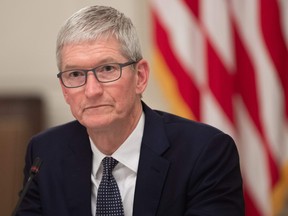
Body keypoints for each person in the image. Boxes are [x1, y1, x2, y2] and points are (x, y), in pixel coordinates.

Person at [16, 5, 245, 216]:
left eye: (107, 69)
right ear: (64, 89)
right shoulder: (45, 153)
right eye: (75, 74)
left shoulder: (205, 153)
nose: (92, 90)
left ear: (140, 77)